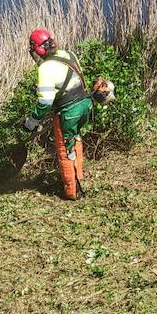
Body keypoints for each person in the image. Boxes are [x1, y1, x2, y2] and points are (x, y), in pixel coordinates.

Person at [26, 28, 113, 200]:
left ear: (37, 49)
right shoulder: (68, 54)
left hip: (68, 112)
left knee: (65, 150)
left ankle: (72, 192)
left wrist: (32, 120)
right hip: (85, 105)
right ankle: (78, 177)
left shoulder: (45, 69)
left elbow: (45, 103)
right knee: (75, 140)